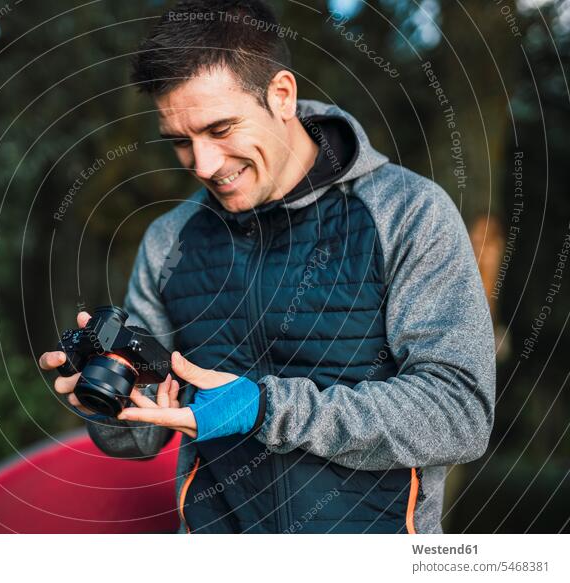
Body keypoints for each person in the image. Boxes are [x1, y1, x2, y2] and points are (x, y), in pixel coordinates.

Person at [38, 0, 495, 534]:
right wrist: (109, 404)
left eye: (220, 128)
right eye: (181, 142)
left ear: (281, 94)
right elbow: (143, 438)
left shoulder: (409, 212)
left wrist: (266, 409)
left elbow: (459, 414)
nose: (203, 165)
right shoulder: (168, 242)